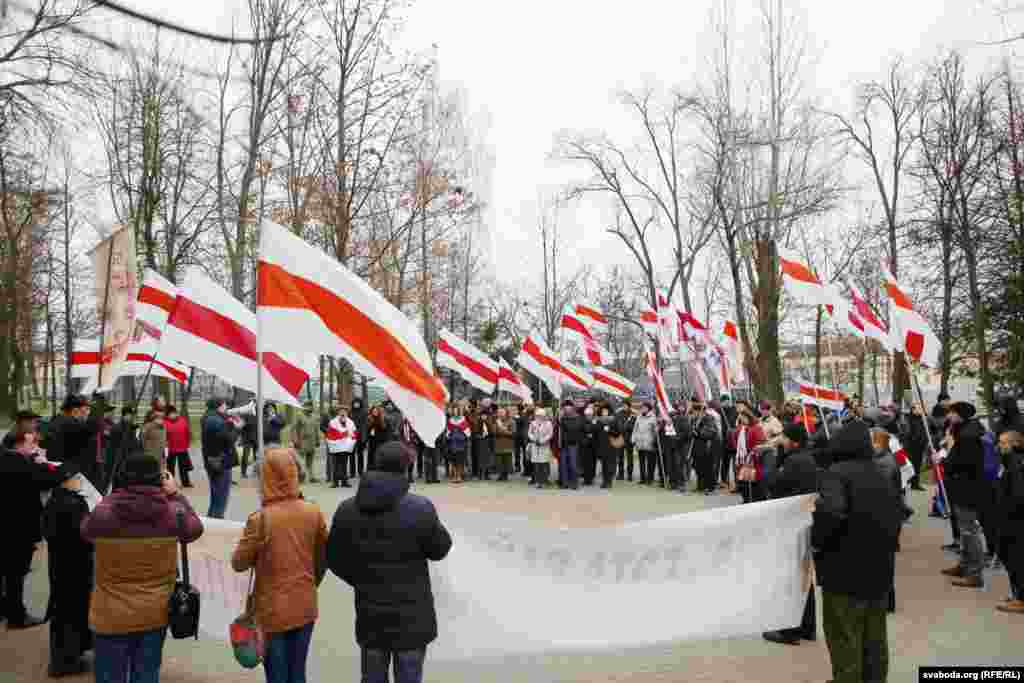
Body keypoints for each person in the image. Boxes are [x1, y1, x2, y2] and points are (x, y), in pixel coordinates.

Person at [326, 442, 452, 683]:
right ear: (406, 468)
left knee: (372, 676)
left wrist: (361, 579)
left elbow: (333, 557)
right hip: (412, 616)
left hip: (370, 613)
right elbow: (440, 549)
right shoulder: (419, 507)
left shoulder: (348, 509)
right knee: (409, 676)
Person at [81, 453, 203, 683]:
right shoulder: (173, 512)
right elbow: (195, 528)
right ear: (159, 479)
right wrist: (175, 494)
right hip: (154, 612)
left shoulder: (104, 513)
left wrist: (113, 495)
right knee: (147, 673)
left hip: (109, 613)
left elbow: (86, 532)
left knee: (109, 675)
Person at [813, 421, 904, 683]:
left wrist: (817, 541)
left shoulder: (836, 473)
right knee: (874, 635)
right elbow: (897, 512)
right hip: (879, 567)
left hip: (844, 569)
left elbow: (831, 512)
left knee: (844, 635)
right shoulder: (881, 472)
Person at [232, 447, 329, 683]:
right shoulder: (313, 512)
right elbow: (323, 558)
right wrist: (310, 582)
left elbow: (239, 563)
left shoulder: (260, 519)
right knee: (298, 671)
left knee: (276, 674)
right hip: (305, 603)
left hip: (272, 608)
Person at [1, 429, 78, 630]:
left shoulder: (6, 458)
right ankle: (16, 616)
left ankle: (5, 609)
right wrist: (44, 462)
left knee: (7, 571)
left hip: (7, 523)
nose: (35, 448)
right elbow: (51, 478)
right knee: (16, 573)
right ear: (18, 446)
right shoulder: (20, 463)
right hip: (18, 526)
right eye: (31, 444)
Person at [762, 423, 819, 645]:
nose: (781, 440)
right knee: (803, 574)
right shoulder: (807, 458)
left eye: (784, 437)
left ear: (793, 441)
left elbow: (773, 483)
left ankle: (790, 630)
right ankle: (807, 626)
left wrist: (773, 457)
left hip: (792, 521)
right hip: (803, 519)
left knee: (792, 575)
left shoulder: (793, 461)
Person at [41, 470, 94, 676]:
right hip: (76, 565)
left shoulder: (54, 502)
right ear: (65, 482)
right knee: (73, 612)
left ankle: (64, 658)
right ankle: (67, 660)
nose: (79, 482)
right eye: (75, 479)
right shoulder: (73, 504)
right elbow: (85, 534)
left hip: (59, 565)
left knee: (62, 612)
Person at [941, 401, 988, 588]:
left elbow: (961, 462)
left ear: (959, 415)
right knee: (963, 530)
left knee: (969, 531)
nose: (948, 416)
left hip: (966, 488)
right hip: (961, 487)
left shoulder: (968, 436)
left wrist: (946, 456)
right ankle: (964, 565)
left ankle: (975, 573)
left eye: (951, 413)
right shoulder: (963, 431)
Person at [996, 430, 1024, 613]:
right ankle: (1017, 594)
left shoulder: (1016, 463)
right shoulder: (1009, 462)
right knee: (1010, 556)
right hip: (1010, 517)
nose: (999, 446)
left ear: (1014, 444)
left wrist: (1007, 512)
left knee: (1016, 558)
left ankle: (1021, 599)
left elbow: (1017, 495)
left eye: (1003, 443)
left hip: (1015, 520)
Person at [47, 395, 102, 486]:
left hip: (61, 472)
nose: (88, 413)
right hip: (70, 474)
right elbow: (93, 427)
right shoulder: (71, 423)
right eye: (86, 409)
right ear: (75, 410)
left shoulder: (56, 421)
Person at [201, 398, 238, 519]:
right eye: (224, 405)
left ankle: (212, 518)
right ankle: (217, 520)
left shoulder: (210, 417)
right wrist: (236, 427)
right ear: (218, 406)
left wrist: (229, 423)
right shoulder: (215, 420)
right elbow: (228, 439)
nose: (226, 407)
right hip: (220, 461)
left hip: (213, 460)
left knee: (216, 495)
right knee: (221, 496)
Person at [689, 398, 721, 495]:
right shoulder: (695, 419)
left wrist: (698, 432)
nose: (694, 414)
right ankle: (701, 486)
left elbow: (710, 432)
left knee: (707, 468)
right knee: (698, 467)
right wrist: (692, 432)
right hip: (696, 448)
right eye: (694, 412)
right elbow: (692, 430)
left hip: (707, 448)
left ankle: (710, 487)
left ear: (701, 411)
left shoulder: (709, 418)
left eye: (696, 412)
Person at [326, 406, 357, 489]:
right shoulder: (333, 422)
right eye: (341, 411)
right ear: (338, 412)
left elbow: (353, 433)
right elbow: (330, 433)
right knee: (336, 464)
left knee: (344, 464)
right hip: (336, 446)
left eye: (344, 411)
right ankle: (335, 482)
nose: (343, 413)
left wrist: (350, 441)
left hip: (346, 446)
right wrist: (340, 436)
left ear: (347, 413)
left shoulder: (350, 422)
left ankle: (344, 481)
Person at [163, 406, 192, 488]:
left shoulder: (182, 420)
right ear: (167, 415)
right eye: (171, 414)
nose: (173, 415)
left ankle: (186, 482)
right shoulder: (164, 423)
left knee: (184, 467)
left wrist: (187, 443)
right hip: (170, 448)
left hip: (182, 447)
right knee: (170, 467)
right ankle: (170, 483)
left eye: (174, 413)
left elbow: (187, 432)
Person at [294, 402, 322, 484]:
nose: (310, 408)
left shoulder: (314, 417)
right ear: (304, 407)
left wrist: (318, 440)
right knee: (300, 461)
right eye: (308, 407)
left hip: (312, 441)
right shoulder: (299, 416)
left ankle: (311, 477)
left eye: (311, 407)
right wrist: (295, 440)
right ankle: (300, 477)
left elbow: (316, 429)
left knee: (310, 461)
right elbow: (294, 429)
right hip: (302, 441)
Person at [558, 402, 584, 490]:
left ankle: (574, 483)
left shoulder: (577, 418)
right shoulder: (562, 418)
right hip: (563, 444)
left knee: (573, 464)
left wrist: (562, 421)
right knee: (563, 464)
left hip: (573, 444)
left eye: (568, 408)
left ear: (572, 408)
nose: (567, 409)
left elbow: (573, 428)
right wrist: (559, 419)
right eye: (565, 408)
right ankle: (565, 483)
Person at [904, 402, 929, 491]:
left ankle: (915, 483)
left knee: (917, 465)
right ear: (913, 409)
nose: (922, 410)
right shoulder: (908, 419)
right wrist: (914, 438)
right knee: (909, 465)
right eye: (920, 408)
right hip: (911, 445)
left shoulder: (923, 419)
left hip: (920, 445)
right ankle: (906, 483)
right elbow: (907, 432)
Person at [632, 403, 659, 485]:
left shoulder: (653, 417)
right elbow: (635, 428)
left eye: (644, 408)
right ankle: (642, 478)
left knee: (650, 462)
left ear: (648, 408)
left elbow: (655, 431)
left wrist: (654, 438)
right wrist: (633, 438)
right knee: (641, 462)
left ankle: (650, 479)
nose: (643, 409)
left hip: (649, 443)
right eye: (642, 408)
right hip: (640, 443)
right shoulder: (639, 417)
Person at [529, 408, 555, 489]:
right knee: (536, 465)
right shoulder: (533, 423)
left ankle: (545, 480)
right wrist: (534, 439)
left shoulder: (548, 423)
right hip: (535, 446)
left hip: (544, 446)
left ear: (544, 416)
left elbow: (550, 434)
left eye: (541, 416)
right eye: (537, 415)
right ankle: (538, 481)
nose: (539, 417)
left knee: (544, 464)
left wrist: (542, 441)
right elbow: (529, 433)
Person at [446, 407, 469, 484]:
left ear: (459, 411)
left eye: (457, 411)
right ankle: (455, 476)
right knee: (453, 460)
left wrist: (464, 435)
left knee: (460, 459)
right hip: (452, 442)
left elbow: (467, 431)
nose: (455, 412)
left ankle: (459, 476)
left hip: (460, 442)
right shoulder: (450, 420)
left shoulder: (463, 420)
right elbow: (448, 431)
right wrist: (448, 436)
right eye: (454, 411)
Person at [494, 407, 515, 482]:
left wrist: (503, 431)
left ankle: (505, 475)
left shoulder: (511, 421)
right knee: (499, 461)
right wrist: (503, 431)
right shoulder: (496, 421)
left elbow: (513, 433)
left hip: (507, 443)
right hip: (498, 443)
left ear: (506, 413)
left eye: (502, 413)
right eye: (499, 413)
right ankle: (500, 474)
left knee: (507, 460)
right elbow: (494, 431)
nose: (500, 414)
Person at [350, 397, 368, 480]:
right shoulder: (350, 412)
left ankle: (360, 471)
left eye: (358, 402)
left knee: (360, 454)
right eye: (355, 402)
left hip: (360, 435)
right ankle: (352, 472)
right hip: (351, 435)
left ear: (360, 403)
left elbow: (364, 425)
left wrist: (364, 437)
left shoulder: (364, 412)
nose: (356, 404)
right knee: (351, 454)